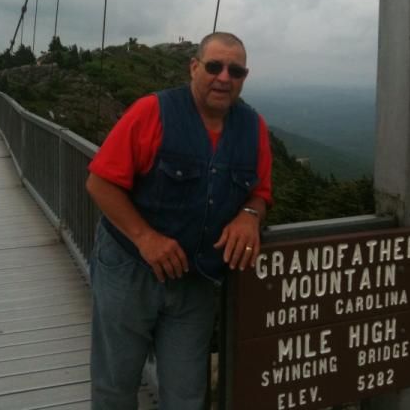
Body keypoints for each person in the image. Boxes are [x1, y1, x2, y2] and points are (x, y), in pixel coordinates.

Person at [86, 32, 272, 410]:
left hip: (195, 282)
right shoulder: (150, 112)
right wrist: (146, 238)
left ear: (244, 77)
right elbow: (100, 182)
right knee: (115, 386)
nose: (224, 77)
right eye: (214, 66)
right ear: (193, 67)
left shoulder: (254, 129)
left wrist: (250, 215)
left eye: (235, 70)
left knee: (188, 396)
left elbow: (260, 191)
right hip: (129, 270)